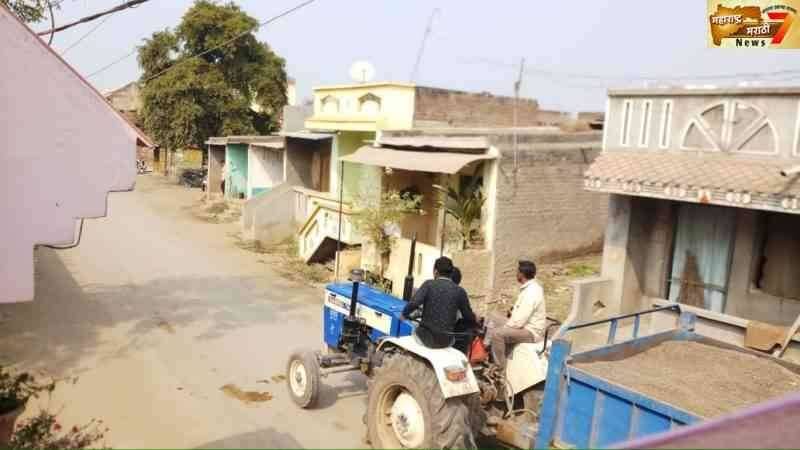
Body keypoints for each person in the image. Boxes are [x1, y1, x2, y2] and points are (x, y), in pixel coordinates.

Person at [401, 257, 477, 349]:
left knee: (412, 329)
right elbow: (469, 317)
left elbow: (414, 303)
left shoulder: (429, 284)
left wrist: (404, 314)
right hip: (446, 341)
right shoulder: (460, 291)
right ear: (451, 273)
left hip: (425, 338)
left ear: (435, 272)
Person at [485, 260, 546, 370]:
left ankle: (500, 369)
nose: (516, 274)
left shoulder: (532, 291)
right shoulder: (529, 288)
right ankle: (487, 352)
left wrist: (505, 326)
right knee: (492, 318)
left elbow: (519, 321)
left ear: (522, 274)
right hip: (522, 325)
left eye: (517, 272)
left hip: (531, 332)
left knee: (497, 334)